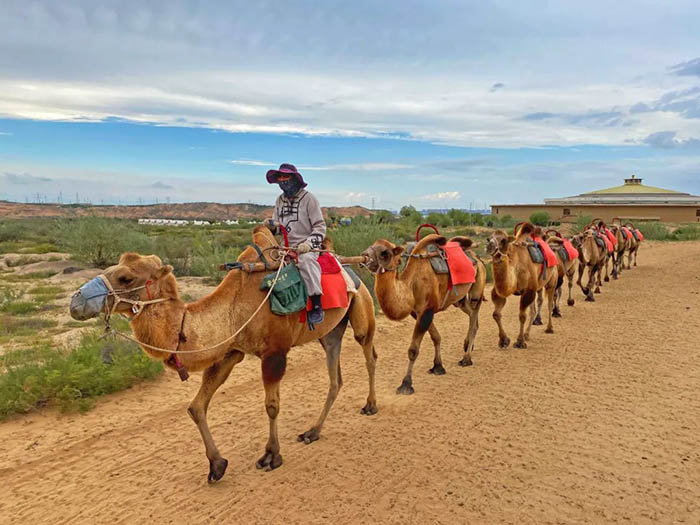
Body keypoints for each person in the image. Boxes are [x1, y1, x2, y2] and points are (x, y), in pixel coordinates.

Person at [265, 163, 326, 326]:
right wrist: (272, 226)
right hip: (284, 248)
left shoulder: (309, 199)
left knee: (306, 262)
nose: (283, 180)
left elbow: (320, 226)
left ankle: (316, 303)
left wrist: (308, 244)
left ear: (295, 179)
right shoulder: (279, 200)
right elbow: (278, 227)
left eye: (286, 177)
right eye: (280, 177)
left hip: (308, 247)